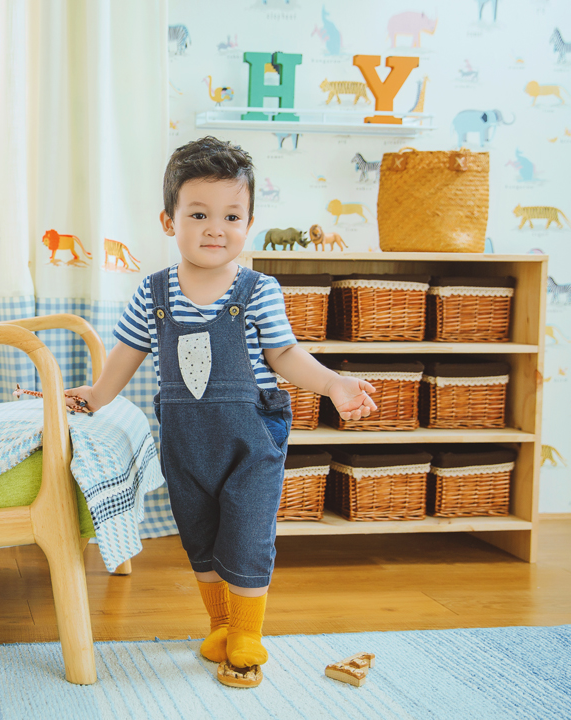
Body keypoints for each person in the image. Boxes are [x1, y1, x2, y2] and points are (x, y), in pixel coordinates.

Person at [64, 136, 377, 688]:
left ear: (249, 223)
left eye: (232, 215)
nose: (216, 227)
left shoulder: (258, 290)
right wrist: (95, 395)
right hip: (185, 443)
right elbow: (127, 356)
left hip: (250, 441)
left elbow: (285, 354)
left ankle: (248, 636)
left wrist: (334, 384)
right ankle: (220, 625)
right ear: (169, 221)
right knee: (200, 537)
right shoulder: (153, 293)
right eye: (200, 213)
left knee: (249, 535)